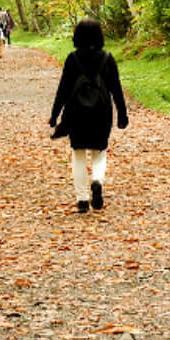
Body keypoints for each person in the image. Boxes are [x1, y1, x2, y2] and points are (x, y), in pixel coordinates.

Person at [49, 18, 128, 213]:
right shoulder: (108, 58)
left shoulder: (72, 59)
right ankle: (97, 180)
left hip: (76, 112)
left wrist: (55, 114)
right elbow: (116, 89)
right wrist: (122, 114)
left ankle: (82, 199)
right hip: (101, 111)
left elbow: (63, 89)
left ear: (77, 36)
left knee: (78, 154)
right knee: (100, 151)